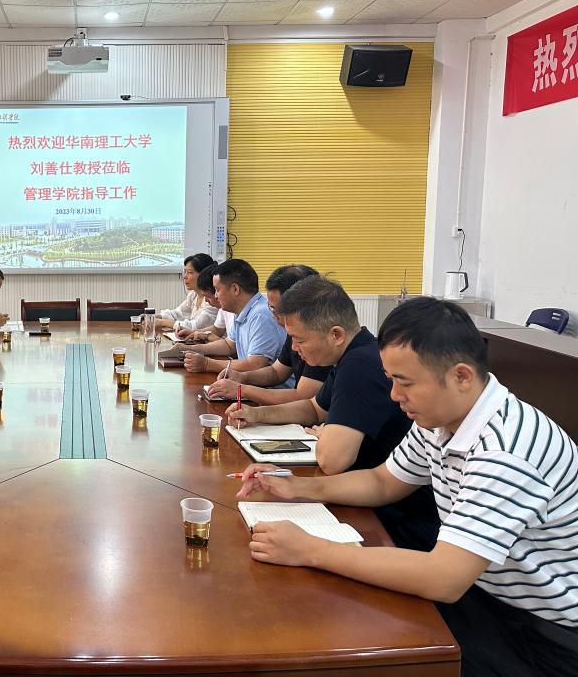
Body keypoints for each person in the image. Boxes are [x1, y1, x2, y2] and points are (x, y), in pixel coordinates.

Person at [236, 297, 578, 676]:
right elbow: (382, 481)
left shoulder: (506, 450)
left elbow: (443, 578)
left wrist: (310, 549)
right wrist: (297, 488)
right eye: (392, 380)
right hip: (481, 593)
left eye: (405, 382)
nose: (395, 395)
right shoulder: (442, 418)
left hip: (541, 633)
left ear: (462, 376)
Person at [227, 275, 437, 549]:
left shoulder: (360, 365)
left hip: (394, 521)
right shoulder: (351, 355)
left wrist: (327, 436)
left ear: (336, 335)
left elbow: (332, 460)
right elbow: (314, 408)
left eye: (299, 339)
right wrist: (257, 415)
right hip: (371, 496)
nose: (294, 349)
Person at [206, 264, 330, 404]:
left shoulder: (322, 339)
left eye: (277, 309)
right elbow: (276, 372)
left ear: (303, 305)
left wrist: (242, 389)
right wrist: (242, 377)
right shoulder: (294, 333)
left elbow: (303, 398)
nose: (273, 315)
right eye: (271, 308)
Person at [178, 258, 285, 376]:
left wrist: (207, 364)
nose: (216, 296)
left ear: (235, 289)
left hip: (270, 386)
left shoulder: (260, 315)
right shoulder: (241, 311)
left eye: (217, 290)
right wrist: (192, 349)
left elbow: (255, 365)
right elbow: (229, 345)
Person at [156, 253, 218, 331]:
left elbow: (195, 326)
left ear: (203, 274)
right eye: (185, 272)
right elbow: (177, 314)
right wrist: (152, 317)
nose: (185, 276)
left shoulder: (213, 299)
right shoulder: (193, 295)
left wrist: (161, 322)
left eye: (190, 272)